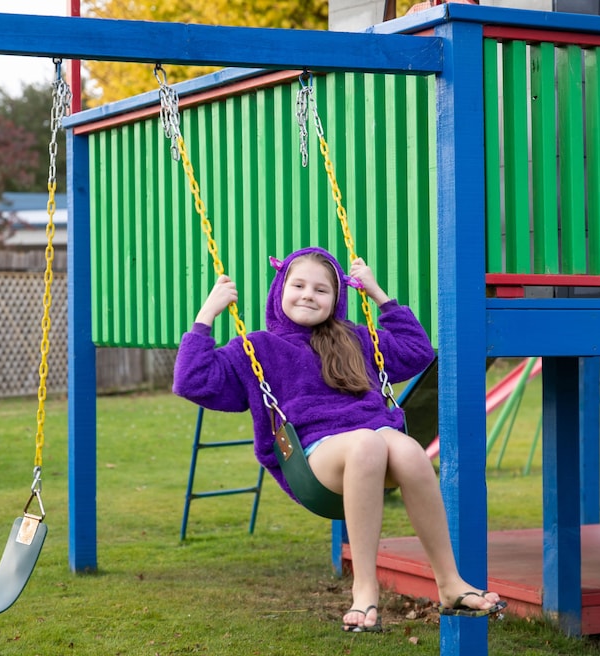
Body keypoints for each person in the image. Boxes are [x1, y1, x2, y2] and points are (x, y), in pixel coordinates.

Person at [173, 246, 505, 632]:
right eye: (298, 285)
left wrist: (378, 294)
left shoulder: (355, 339)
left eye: (321, 290)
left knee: (410, 450)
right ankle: (364, 587)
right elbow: (191, 380)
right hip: (314, 457)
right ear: (280, 289)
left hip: (373, 442)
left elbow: (417, 352)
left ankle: (449, 583)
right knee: (367, 443)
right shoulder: (258, 348)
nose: (308, 295)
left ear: (337, 298)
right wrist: (207, 314)